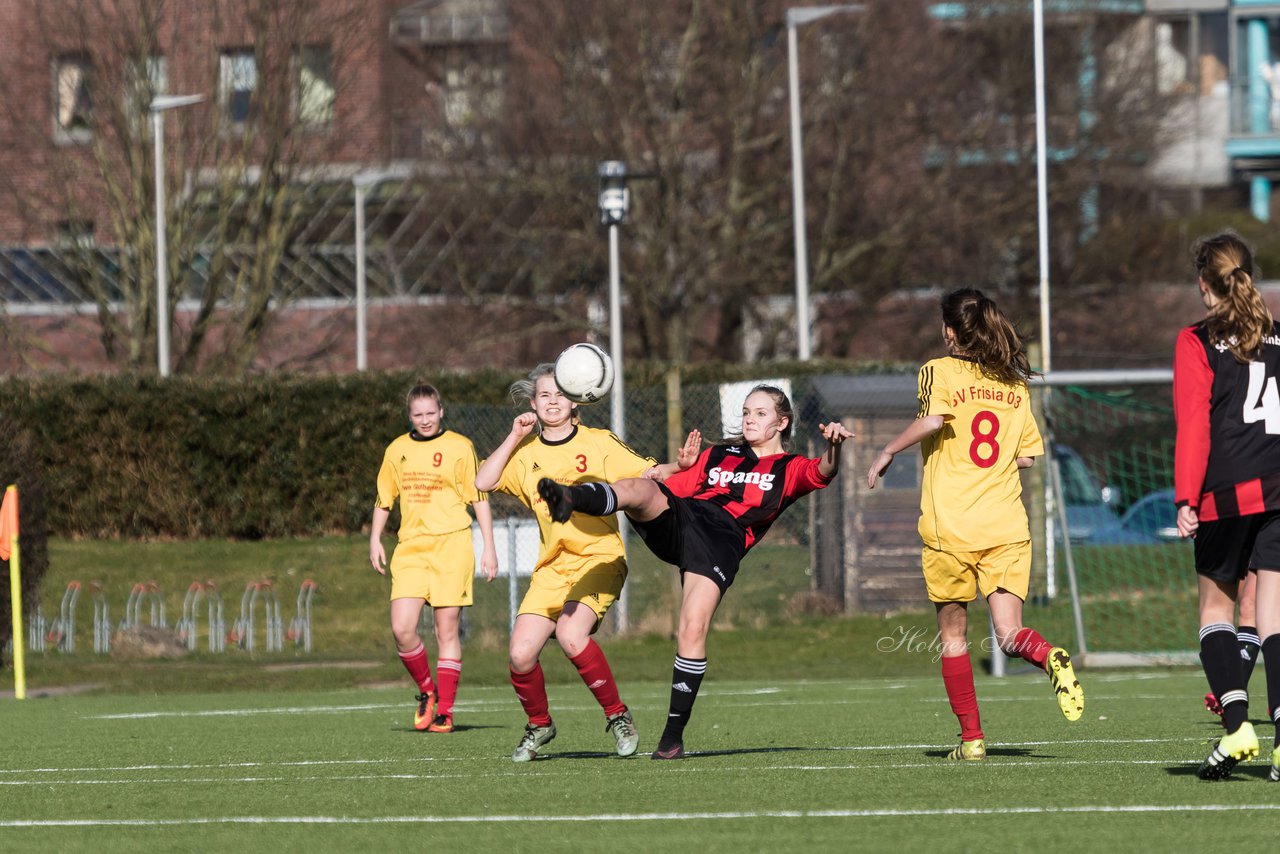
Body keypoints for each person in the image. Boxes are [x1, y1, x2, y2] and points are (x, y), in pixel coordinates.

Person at [537, 384, 853, 759]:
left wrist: (834, 446)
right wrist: (674, 469)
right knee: (640, 490)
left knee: (691, 628)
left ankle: (672, 739)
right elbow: (670, 487)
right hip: (685, 520)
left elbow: (824, 471)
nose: (750, 419)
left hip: (722, 542)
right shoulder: (720, 454)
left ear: (782, 422)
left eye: (761, 413)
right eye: (747, 412)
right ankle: (571, 498)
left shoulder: (789, 468)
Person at [866, 287, 1085, 763]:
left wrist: (887, 451)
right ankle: (1048, 656)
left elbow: (933, 419)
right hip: (1006, 524)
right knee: (1009, 635)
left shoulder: (938, 370)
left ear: (949, 331)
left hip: (953, 526)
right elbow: (1025, 457)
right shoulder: (1014, 384)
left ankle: (972, 740)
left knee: (954, 637)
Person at [475, 363, 699, 763]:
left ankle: (618, 716)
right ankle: (540, 724)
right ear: (533, 403)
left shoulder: (598, 443)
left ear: (576, 399)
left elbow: (649, 473)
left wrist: (680, 467)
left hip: (599, 559)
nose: (552, 401)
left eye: (560, 394)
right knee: (520, 654)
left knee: (571, 634)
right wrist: (514, 435)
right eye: (544, 395)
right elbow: (484, 481)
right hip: (552, 569)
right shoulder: (525, 456)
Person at [1174, 230, 1280, 781]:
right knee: (1272, 619)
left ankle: (1237, 727)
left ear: (1203, 284)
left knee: (1215, 611)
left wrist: (1185, 499)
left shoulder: (1196, 340)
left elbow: (1194, 428)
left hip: (1228, 490)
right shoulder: (1279, 336)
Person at [370, 383, 498, 734]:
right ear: (409, 416)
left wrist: (488, 546)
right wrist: (374, 539)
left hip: (452, 546)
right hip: (411, 548)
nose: (425, 420)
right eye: (418, 414)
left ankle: (446, 711)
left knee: (446, 630)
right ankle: (427, 690)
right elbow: (384, 498)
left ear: (441, 411)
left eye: (430, 413)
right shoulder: (397, 449)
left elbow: (479, 498)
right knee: (402, 628)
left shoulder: (460, 447)